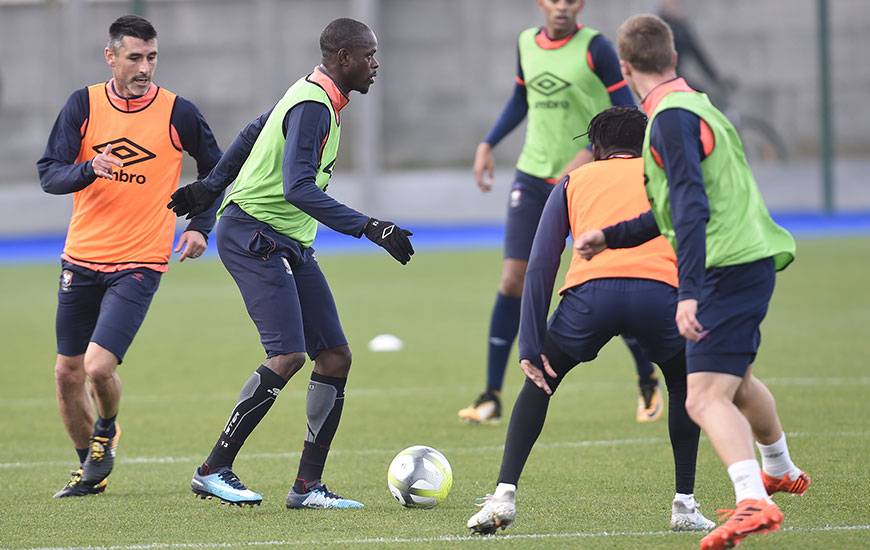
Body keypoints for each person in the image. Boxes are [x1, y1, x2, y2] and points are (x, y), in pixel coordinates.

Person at [575, 15, 811, 550]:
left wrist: (689, 292)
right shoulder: (698, 106)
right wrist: (610, 236)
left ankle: (753, 500)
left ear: (626, 67)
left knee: (703, 399)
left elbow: (690, 206)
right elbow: (671, 208)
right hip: (747, 260)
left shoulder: (670, 120)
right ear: (675, 58)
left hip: (725, 268)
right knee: (737, 382)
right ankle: (777, 468)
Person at [167, 18, 413, 509]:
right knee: (288, 354)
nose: (375, 64)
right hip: (255, 234)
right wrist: (371, 227)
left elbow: (253, 130)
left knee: (336, 356)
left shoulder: (314, 93)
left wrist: (209, 187)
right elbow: (296, 187)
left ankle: (307, 488)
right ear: (343, 58)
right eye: (368, 55)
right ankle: (212, 469)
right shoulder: (313, 104)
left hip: (288, 240)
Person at [467, 106, 715, 535]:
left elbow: (542, 263)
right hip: (659, 296)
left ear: (596, 149)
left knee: (540, 381)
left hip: (589, 298)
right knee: (681, 383)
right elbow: (696, 243)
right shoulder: (664, 179)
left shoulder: (573, 181)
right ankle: (685, 504)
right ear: (646, 147)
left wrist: (530, 344)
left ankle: (504, 495)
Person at [37, 15, 223, 498]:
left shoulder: (177, 112)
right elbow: (50, 175)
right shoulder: (83, 104)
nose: (145, 67)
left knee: (98, 368)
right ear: (111, 57)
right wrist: (88, 169)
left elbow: (217, 169)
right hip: (80, 257)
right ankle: (90, 467)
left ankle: (107, 429)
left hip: (139, 261)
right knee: (66, 374)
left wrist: (201, 226)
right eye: (135, 57)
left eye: (152, 57)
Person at [459, 0, 663, 426]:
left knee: (609, 273)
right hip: (533, 176)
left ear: (580, 5)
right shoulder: (524, 44)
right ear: (541, 4)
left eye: (570, 1)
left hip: (588, 178)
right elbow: (521, 98)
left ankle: (647, 379)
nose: (561, 8)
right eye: (554, 0)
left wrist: (588, 156)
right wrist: (487, 143)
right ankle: (491, 395)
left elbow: (627, 116)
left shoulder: (597, 49)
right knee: (513, 278)